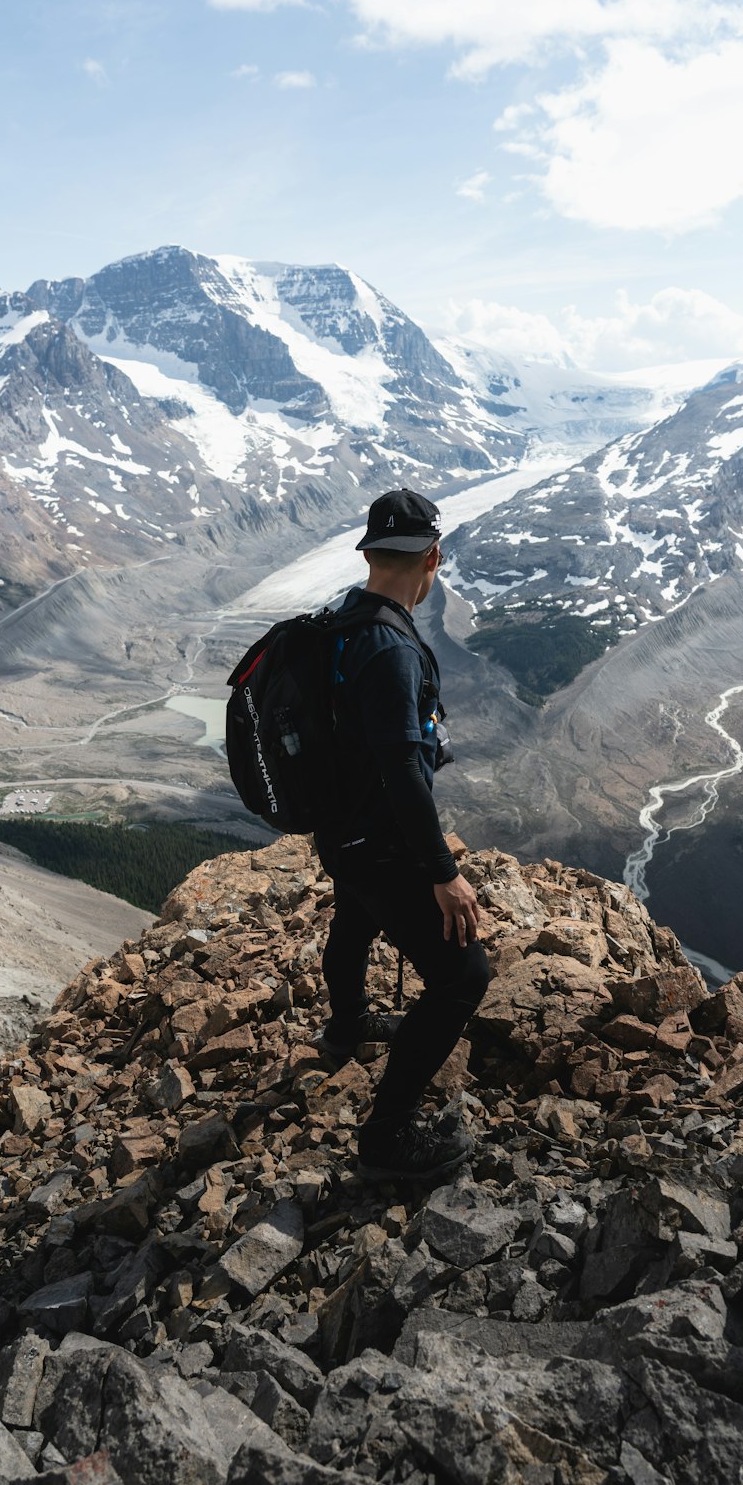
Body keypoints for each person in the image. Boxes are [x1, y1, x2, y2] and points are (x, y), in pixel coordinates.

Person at [314, 488, 491, 1180]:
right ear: (433, 558)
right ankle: (388, 1136)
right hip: (379, 840)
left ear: (368, 553)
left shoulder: (342, 618)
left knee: (355, 920)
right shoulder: (391, 647)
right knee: (461, 977)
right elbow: (402, 774)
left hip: (339, 832)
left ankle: (350, 1022)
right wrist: (443, 873)